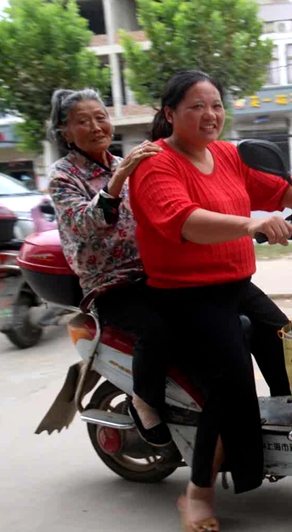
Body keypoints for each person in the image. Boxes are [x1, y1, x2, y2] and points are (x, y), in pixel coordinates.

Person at [129, 70, 292, 532]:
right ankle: (197, 492)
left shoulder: (228, 154)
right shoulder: (156, 164)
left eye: (215, 104)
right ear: (170, 113)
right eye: (196, 106)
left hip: (236, 284)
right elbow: (186, 222)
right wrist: (251, 224)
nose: (210, 115)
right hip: (184, 297)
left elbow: (282, 192)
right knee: (231, 383)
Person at [46, 88, 172, 446]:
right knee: (156, 330)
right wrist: (120, 179)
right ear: (65, 133)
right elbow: (89, 221)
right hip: (110, 284)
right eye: (82, 121)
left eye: (100, 116)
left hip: (152, 273)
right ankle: (143, 403)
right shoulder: (63, 175)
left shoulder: (121, 164)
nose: (95, 126)